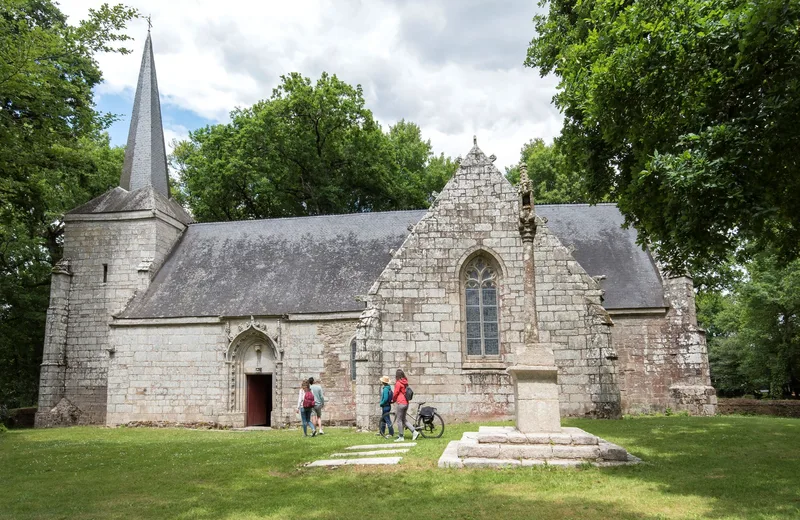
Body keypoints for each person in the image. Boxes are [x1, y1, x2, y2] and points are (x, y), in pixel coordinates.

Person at [392, 369, 418, 442]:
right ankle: (414, 432)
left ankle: (401, 437)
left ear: (397, 376)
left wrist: (392, 400)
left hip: (401, 402)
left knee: (399, 420)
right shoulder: (405, 382)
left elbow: (395, 393)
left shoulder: (398, 383)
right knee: (404, 420)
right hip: (406, 402)